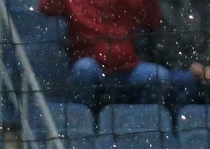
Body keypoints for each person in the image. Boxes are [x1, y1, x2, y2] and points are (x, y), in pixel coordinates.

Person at [39, 0, 169, 111]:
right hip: (93, 67)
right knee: (84, 68)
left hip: (126, 67)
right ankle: (82, 120)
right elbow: (46, 7)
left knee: (159, 75)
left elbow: (152, 20)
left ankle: (141, 124)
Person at [150, 0, 210, 109]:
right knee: (184, 82)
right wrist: (190, 65)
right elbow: (165, 47)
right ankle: (180, 123)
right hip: (177, 67)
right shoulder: (162, 7)